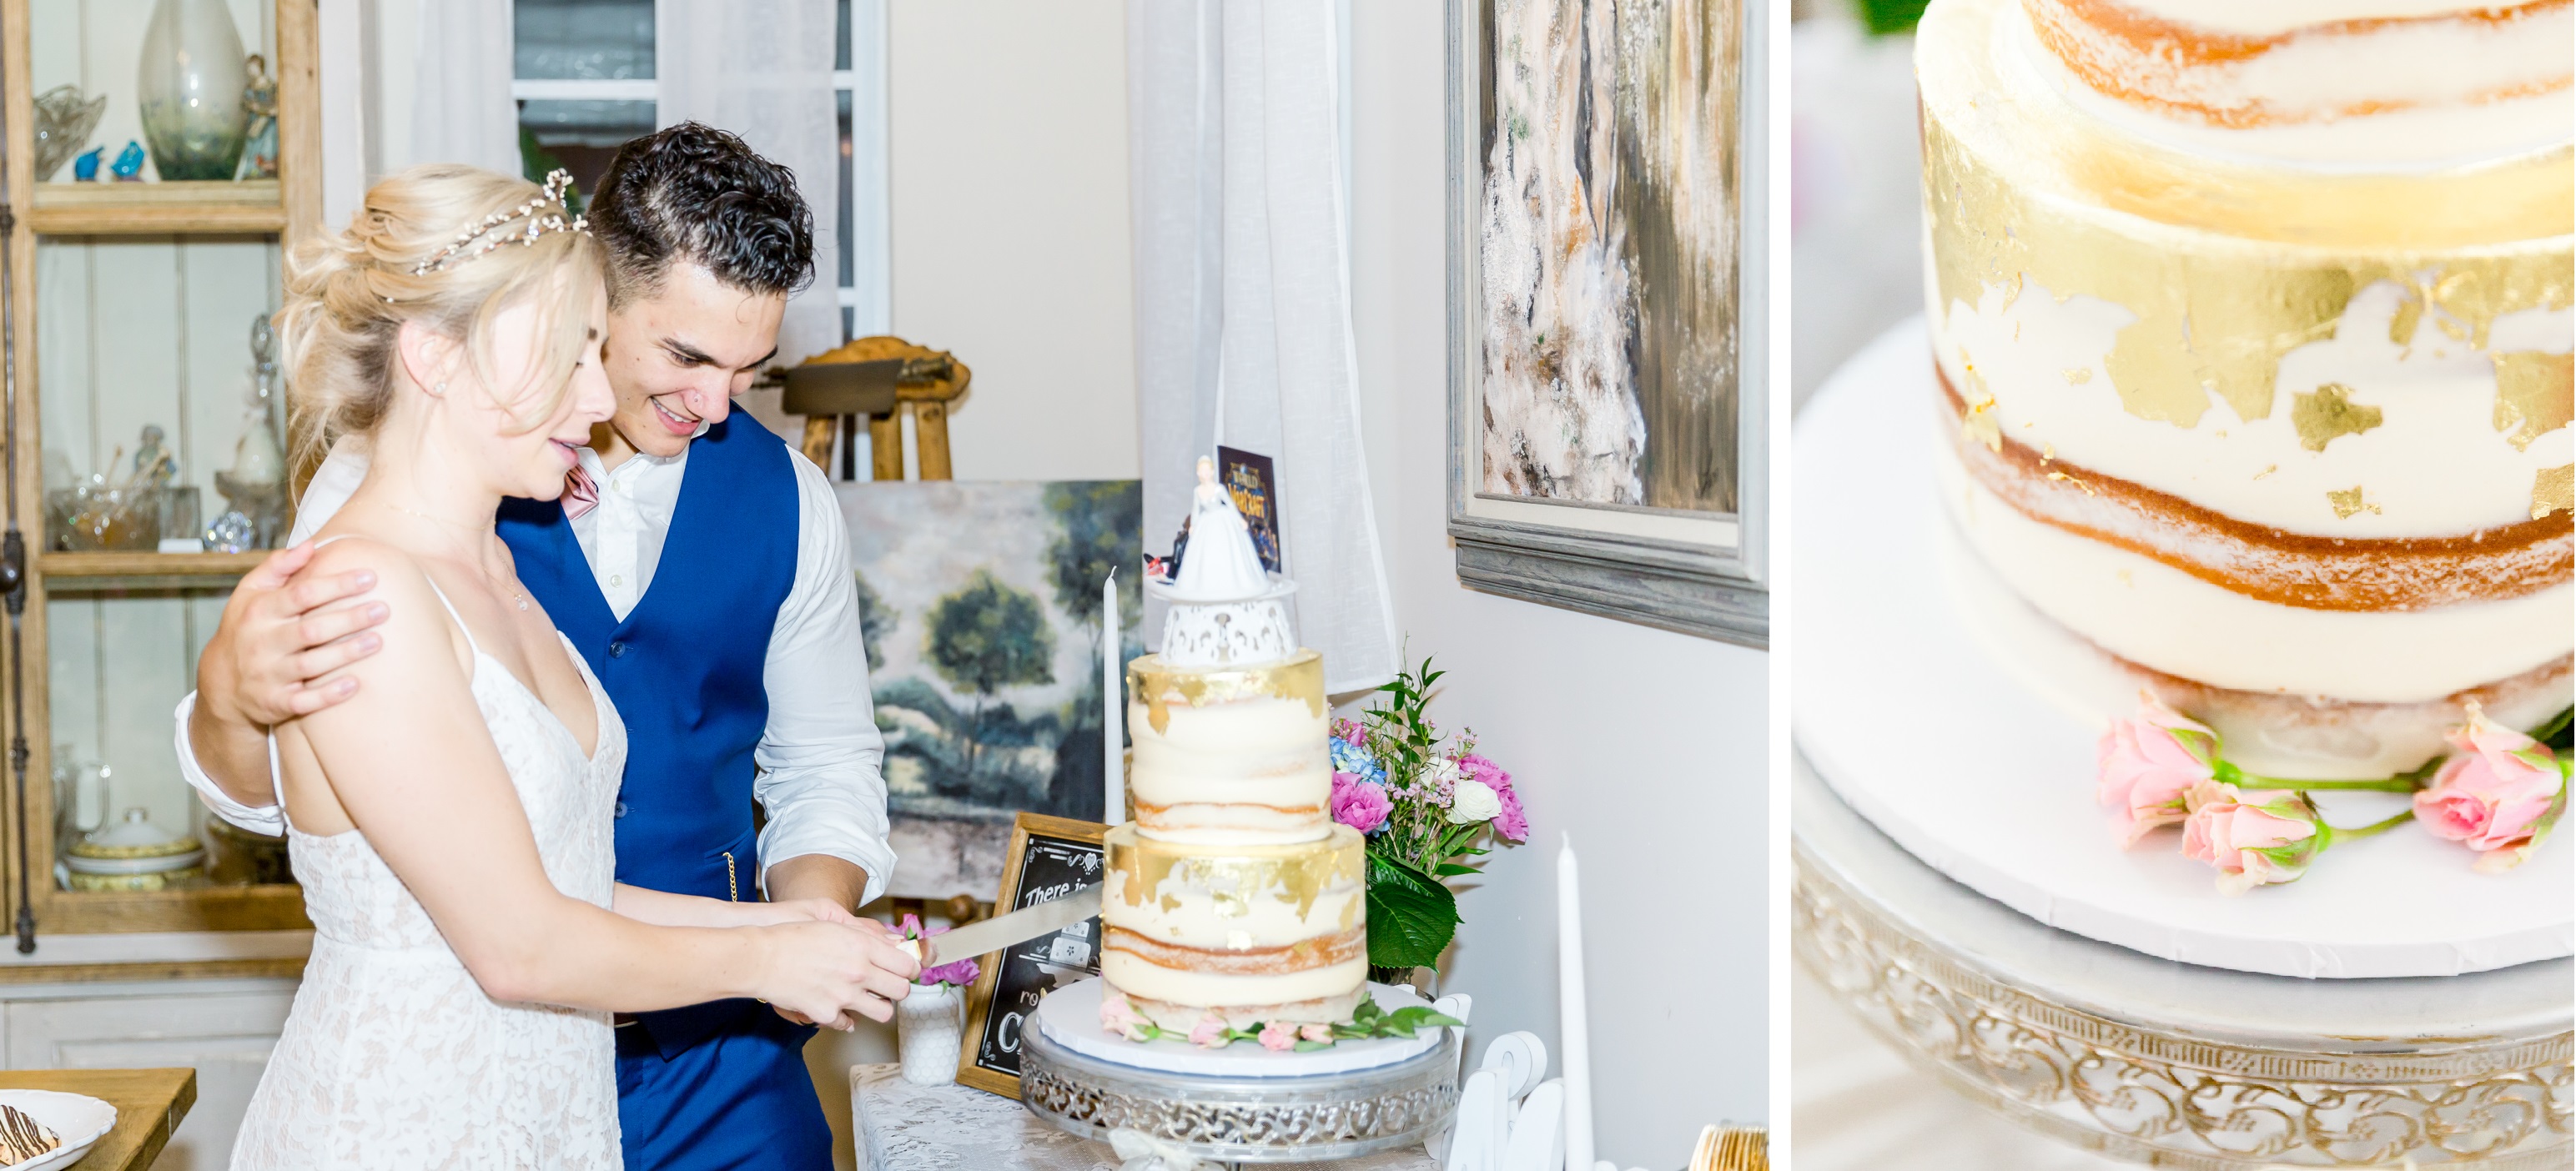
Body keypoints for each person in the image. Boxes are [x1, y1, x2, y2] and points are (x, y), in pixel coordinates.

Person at [177, 125, 908, 1170]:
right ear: (598, 297)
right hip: (448, 1080)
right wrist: (230, 703)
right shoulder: (377, 513)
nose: (716, 406)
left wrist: (801, 935)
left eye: (750, 370)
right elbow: (303, 802)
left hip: (716, 1067)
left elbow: (819, 767)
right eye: (685, 356)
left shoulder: (771, 503)